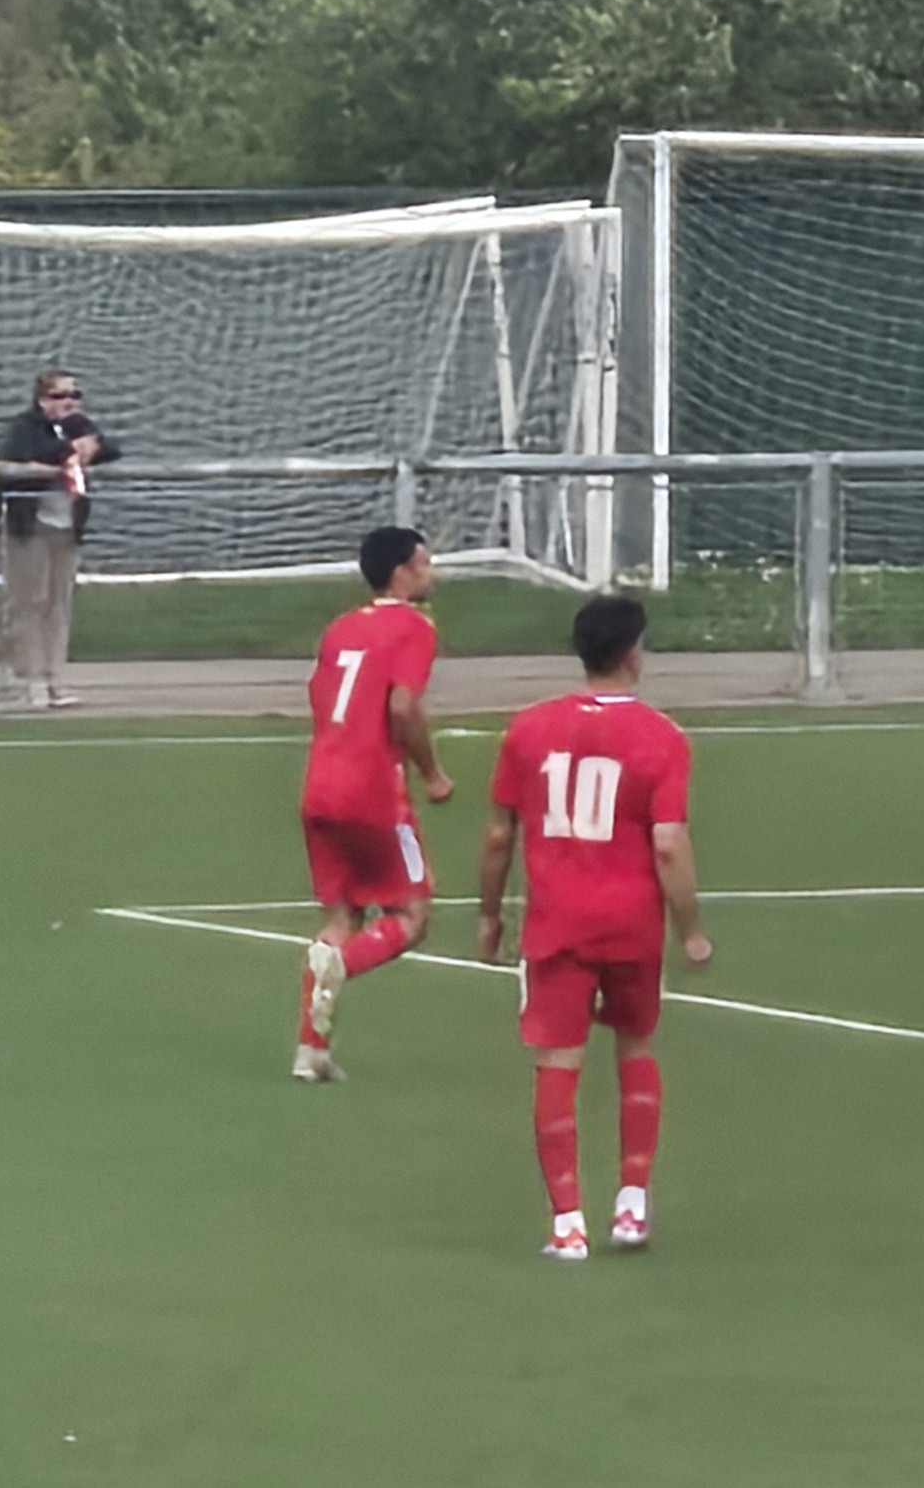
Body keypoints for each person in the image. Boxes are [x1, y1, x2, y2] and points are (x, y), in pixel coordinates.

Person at [477, 593, 709, 1262]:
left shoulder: (527, 730)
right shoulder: (662, 738)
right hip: (632, 923)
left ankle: (567, 1224)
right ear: (634, 654)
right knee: (636, 1049)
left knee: (559, 1065)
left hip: (557, 924)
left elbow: (498, 835)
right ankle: (632, 1206)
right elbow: (668, 843)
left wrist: (489, 915)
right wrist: (690, 928)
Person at [292, 523, 453, 1082]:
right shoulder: (413, 627)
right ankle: (342, 964)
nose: (431, 573)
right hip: (374, 791)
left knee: (342, 914)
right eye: (424, 563)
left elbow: (318, 697)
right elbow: (403, 706)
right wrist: (431, 773)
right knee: (411, 915)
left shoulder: (341, 628)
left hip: (320, 783)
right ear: (401, 572)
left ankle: (311, 1050)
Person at [0, 367, 112, 709]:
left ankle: (57, 678)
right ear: (43, 400)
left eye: (75, 395)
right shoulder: (25, 427)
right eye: (60, 396)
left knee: (59, 604)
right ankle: (28, 679)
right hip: (31, 527)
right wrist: (65, 455)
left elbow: (111, 449)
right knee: (29, 603)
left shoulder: (81, 427)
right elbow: (13, 461)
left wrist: (92, 445)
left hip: (66, 528)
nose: (70, 402)